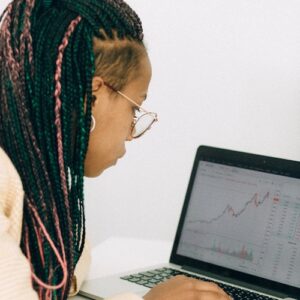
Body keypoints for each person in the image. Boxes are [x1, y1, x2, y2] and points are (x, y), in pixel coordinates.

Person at [0, 0, 231, 299]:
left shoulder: (33, 175)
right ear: (92, 97)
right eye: (134, 108)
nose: (132, 132)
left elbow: (67, 267)